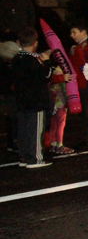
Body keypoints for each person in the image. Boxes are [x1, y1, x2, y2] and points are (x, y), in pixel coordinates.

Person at [10, 27, 53, 168]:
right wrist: (47, 62)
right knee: (35, 130)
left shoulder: (16, 59)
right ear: (35, 43)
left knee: (23, 129)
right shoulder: (33, 61)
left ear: (18, 42)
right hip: (36, 101)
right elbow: (45, 77)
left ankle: (24, 156)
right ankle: (35, 159)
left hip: (21, 100)